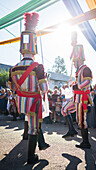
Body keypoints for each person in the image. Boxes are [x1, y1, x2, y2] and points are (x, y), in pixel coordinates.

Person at [8, 12, 49, 164]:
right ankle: (31, 157)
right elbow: (44, 89)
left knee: (32, 124)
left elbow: (12, 87)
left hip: (21, 102)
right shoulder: (38, 66)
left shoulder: (13, 68)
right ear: (34, 48)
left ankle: (41, 144)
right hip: (34, 102)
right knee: (33, 128)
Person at [71, 31, 93, 149]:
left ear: (79, 60)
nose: (74, 63)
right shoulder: (79, 70)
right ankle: (72, 130)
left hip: (82, 98)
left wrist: (76, 86)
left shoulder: (86, 69)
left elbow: (88, 82)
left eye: (75, 61)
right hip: (77, 98)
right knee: (76, 118)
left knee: (82, 120)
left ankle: (86, 142)